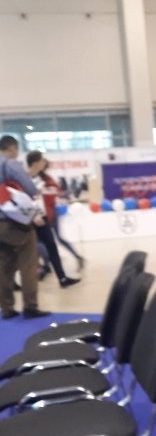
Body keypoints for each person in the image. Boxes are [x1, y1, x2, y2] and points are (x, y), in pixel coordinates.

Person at [0, 135, 50, 319]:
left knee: (4, 266)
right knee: (28, 264)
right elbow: (29, 188)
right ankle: (30, 306)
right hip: (15, 222)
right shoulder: (10, 164)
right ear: (12, 148)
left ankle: (7, 308)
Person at [25, 151, 80, 288]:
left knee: (52, 246)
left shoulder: (42, 178)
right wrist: (34, 215)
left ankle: (62, 278)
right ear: (35, 163)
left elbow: (50, 193)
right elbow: (24, 199)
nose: (44, 162)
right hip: (29, 219)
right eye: (41, 160)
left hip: (42, 218)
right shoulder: (24, 178)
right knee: (29, 250)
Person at [40, 159, 85, 270]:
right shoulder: (46, 179)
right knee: (53, 239)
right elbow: (57, 192)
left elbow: (54, 193)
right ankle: (75, 257)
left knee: (44, 240)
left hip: (48, 213)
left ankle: (47, 263)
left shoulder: (44, 180)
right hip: (49, 212)